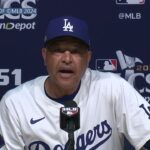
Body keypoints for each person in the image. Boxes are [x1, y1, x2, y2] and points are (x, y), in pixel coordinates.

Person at [0, 16, 150, 150]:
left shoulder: (113, 87)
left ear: (88, 58)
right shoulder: (15, 103)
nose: (66, 59)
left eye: (75, 51)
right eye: (58, 50)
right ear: (45, 56)